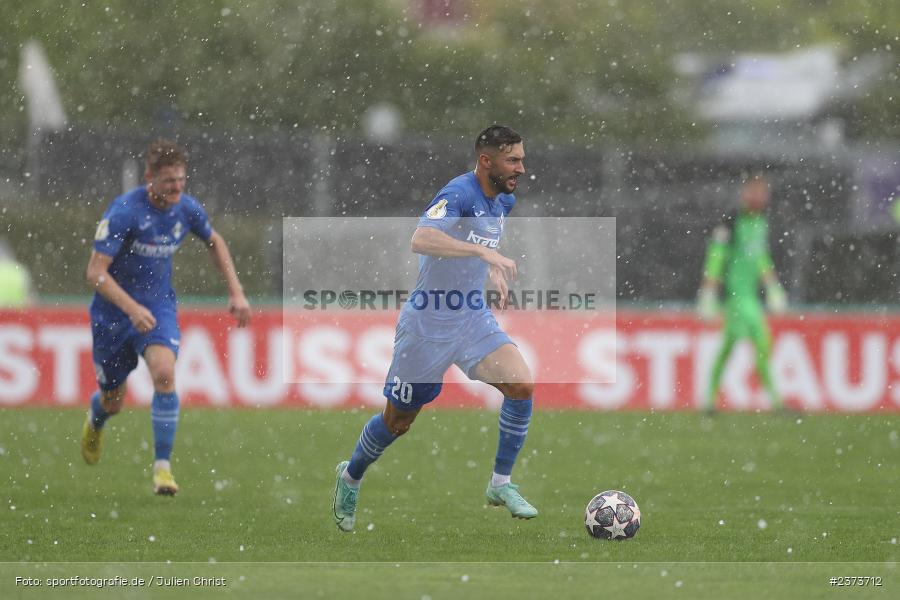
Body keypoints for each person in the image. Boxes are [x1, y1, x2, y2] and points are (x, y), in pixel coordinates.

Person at [332, 125, 537, 531]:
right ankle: (350, 476)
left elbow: (479, 243)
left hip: (471, 318)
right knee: (397, 423)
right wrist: (482, 252)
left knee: (521, 385)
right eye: (513, 160)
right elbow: (422, 239)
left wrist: (490, 267)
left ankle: (500, 484)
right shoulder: (458, 193)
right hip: (427, 325)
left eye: (522, 159)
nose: (521, 168)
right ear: (486, 161)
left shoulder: (504, 201)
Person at [81, 138, 251, 495]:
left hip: (157, 308)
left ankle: (162, 469)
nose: (176, 188)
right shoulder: (124, 212)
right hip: (113, 315)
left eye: (181, 180)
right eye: (169, 181)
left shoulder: (186, 209)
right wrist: (131, 308)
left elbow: (215, 240)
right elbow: (95, 273)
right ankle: (96, 418)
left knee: (164, 373)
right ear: (150, 178)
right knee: (113, 401)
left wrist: (236, 291)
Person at [697, 173, 787, 413]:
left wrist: (773, 286)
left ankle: (709, 400)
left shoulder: (761, 222)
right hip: (736, 297)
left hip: (750, 295)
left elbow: (761, 257)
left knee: (728, 347)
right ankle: (776, 402)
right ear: (744, 194)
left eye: (762, 192)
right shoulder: (730, 222)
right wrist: (708, 291)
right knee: (761, 340)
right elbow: (716, 257)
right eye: (754, 192)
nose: (759, 197)